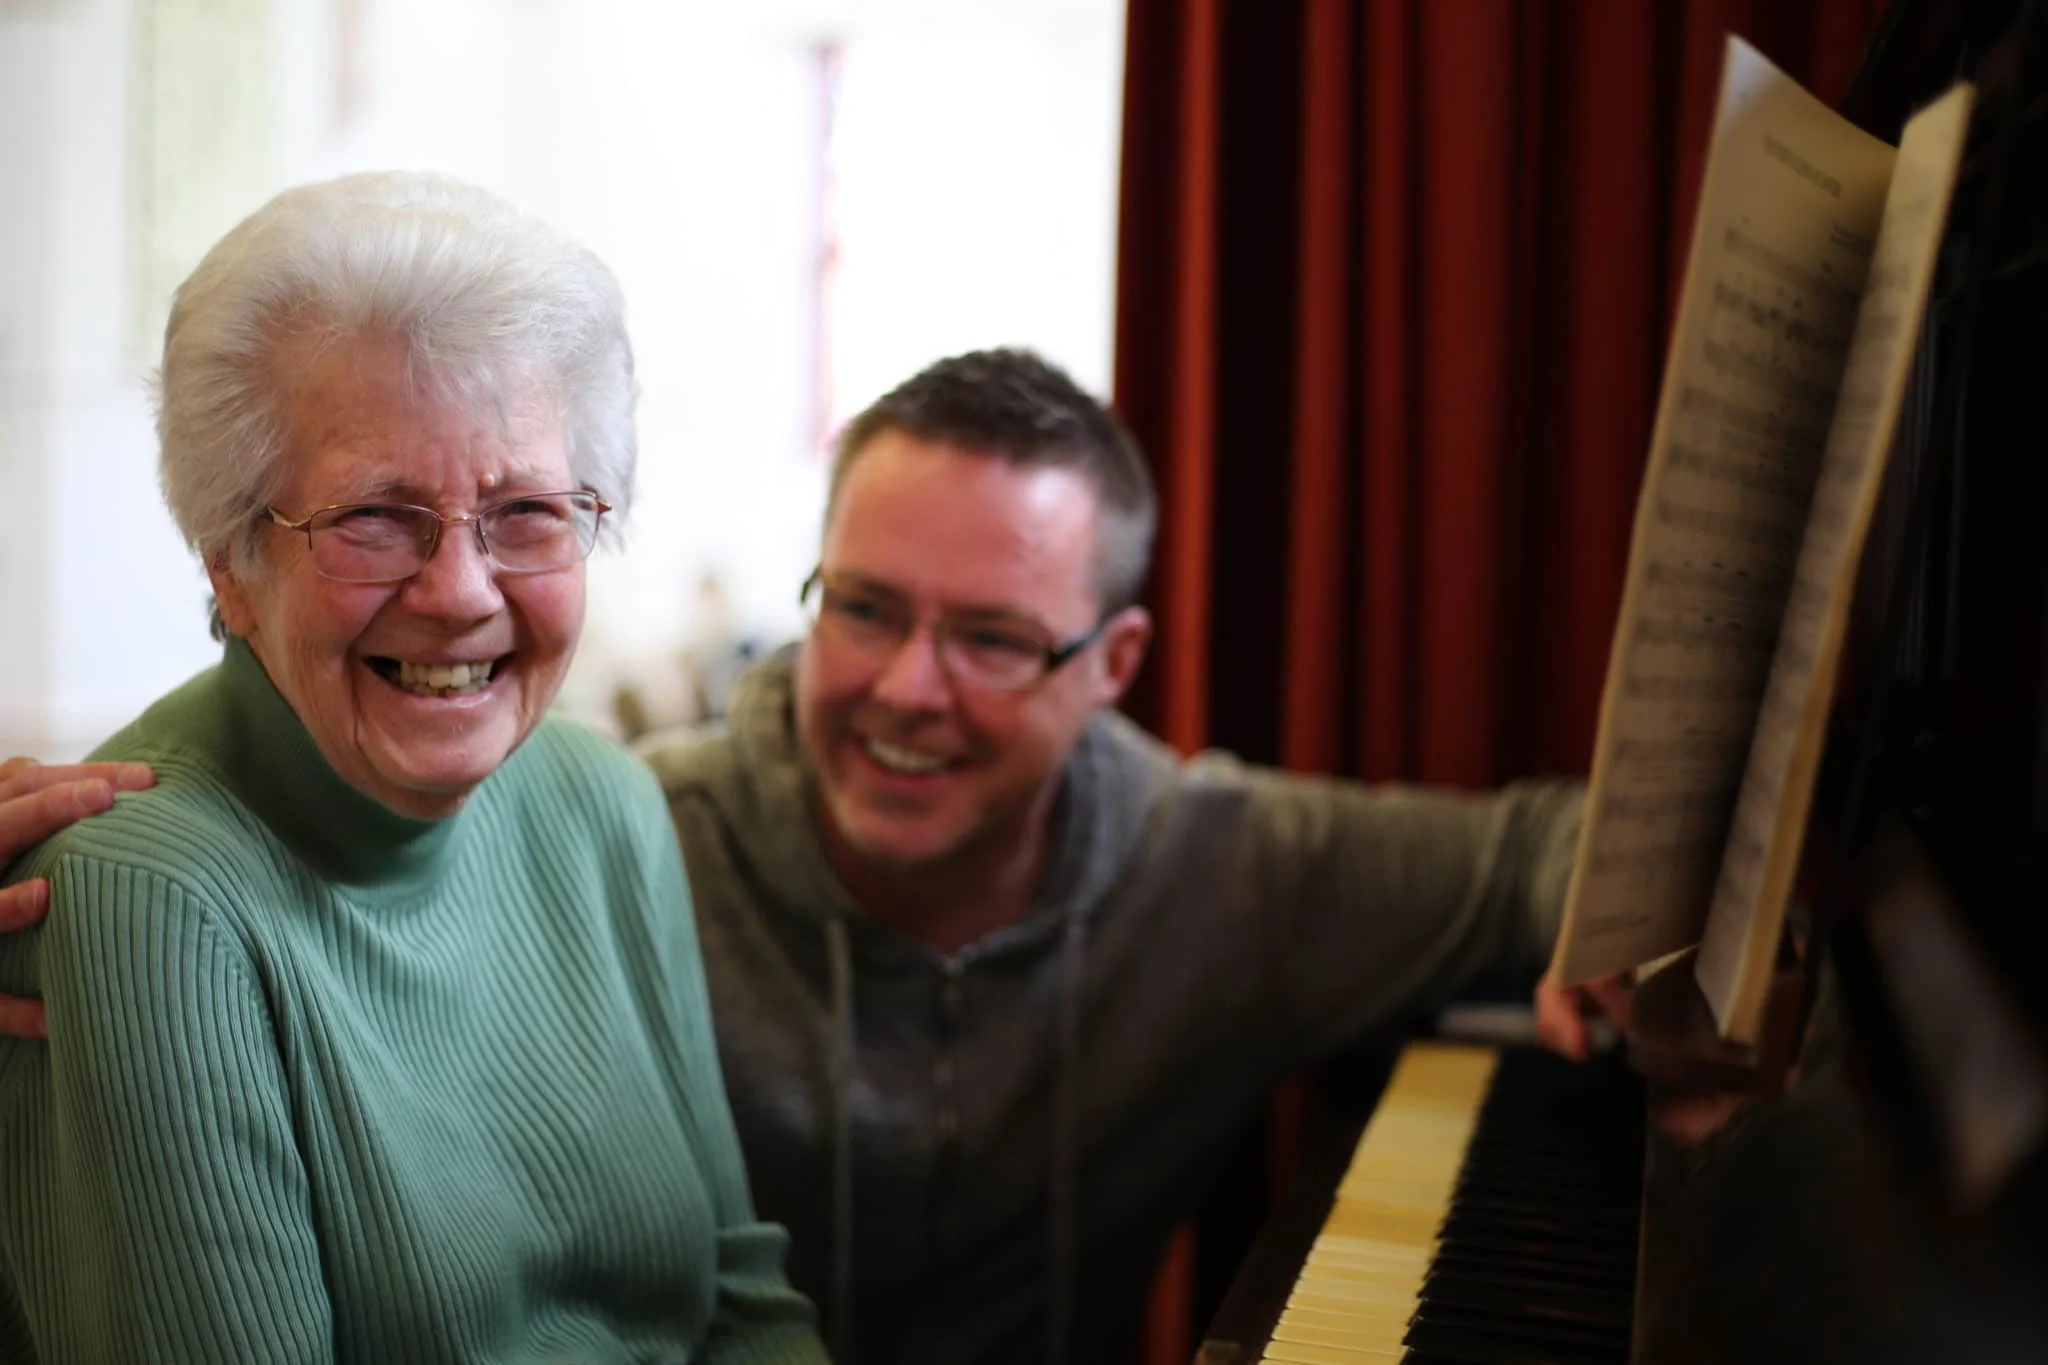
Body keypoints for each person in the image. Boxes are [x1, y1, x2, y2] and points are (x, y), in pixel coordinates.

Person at [3, 348, 1619, 1365]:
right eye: (863, 611)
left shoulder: (1228, 866)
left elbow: (1555, 851)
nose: (907, 691)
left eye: (992, 639)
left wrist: (1659, 959)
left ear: (1113, 667)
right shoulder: (632, 836)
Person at [0, 172, 825, 1362]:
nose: (459, 593)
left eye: (528, 510)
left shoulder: (606, 806)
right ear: (231, 562)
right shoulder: (152, 895)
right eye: (374, 515)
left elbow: (743, 1305)